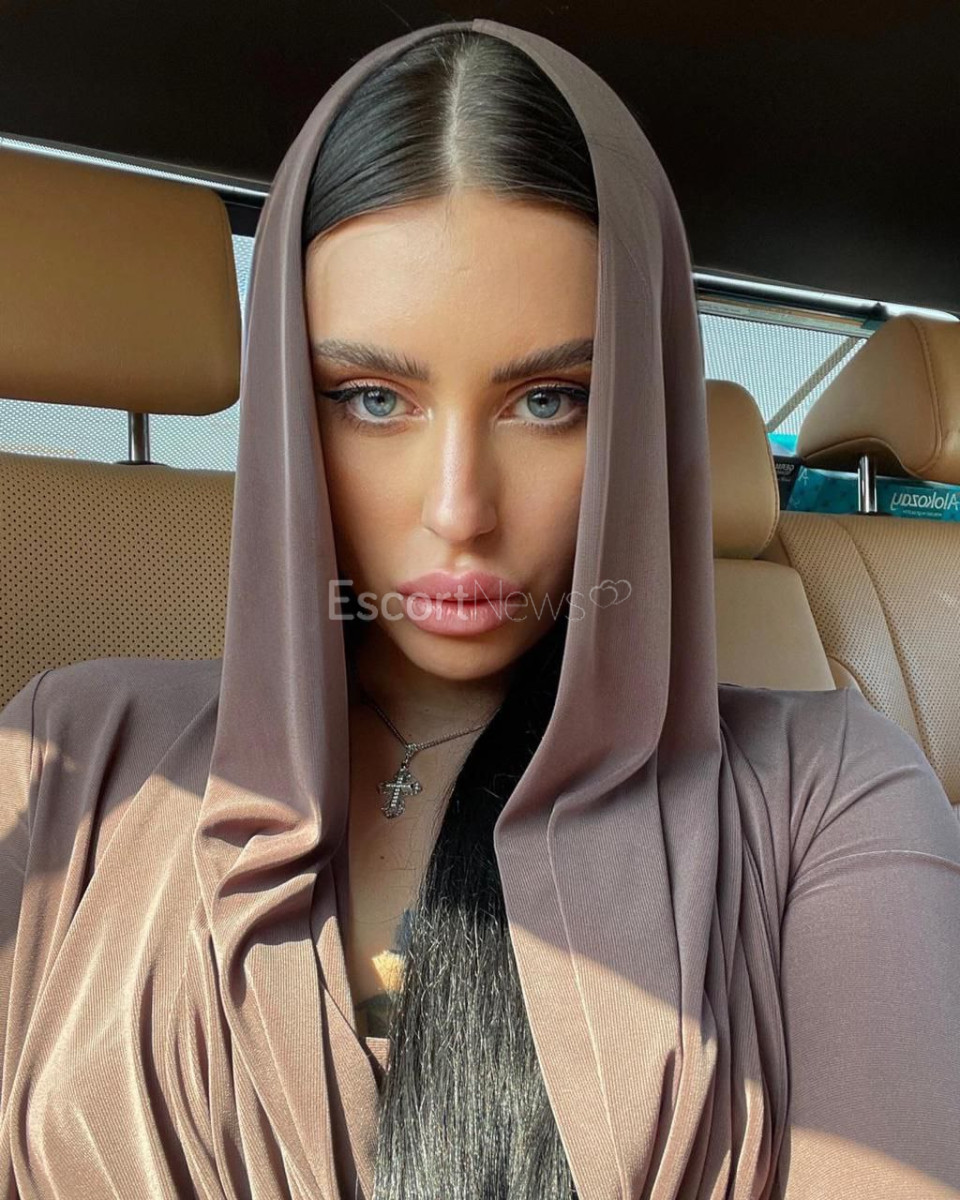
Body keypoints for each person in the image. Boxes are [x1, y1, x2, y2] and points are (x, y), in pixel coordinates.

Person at [1, 17, 959, 1200]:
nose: (459, 510)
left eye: (549, 400)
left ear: (641, 414)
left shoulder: (830, 797)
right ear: (292, 412)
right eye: (372, 398)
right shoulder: (64, 762)